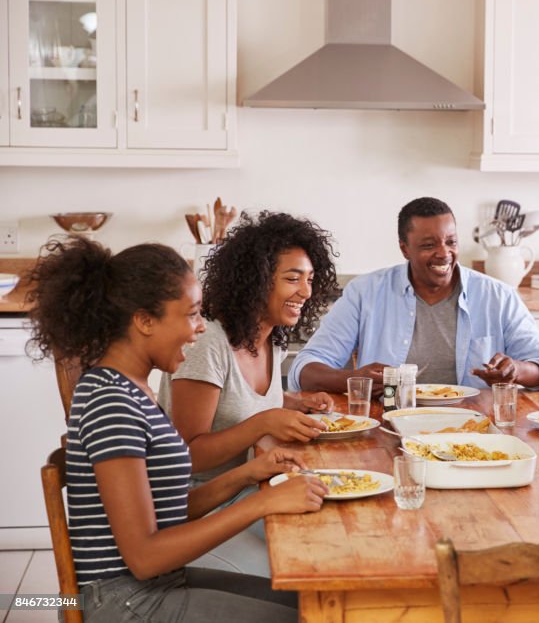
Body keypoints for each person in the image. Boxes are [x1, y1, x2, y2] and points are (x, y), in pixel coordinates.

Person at [27, 238, 327, 622]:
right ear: (144, 320)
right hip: (123, 602)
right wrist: (262, 502)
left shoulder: (133, 389)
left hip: (155, 587)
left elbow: (167, 511)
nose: (199, 329)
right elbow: (145, 556)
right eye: (190, 315)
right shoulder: (111, 402)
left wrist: (249, 474)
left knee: (313, 603)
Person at [289, 197, 539, 393]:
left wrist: (517, 370)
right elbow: (303, 370)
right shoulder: (365, 292)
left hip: (476, 429)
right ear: (404, 248)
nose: (444, 253)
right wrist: (352, 379)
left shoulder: (497, 296)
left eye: (451, 242)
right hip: (389, 425)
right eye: (428, 245)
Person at [159, 211, 340, 485]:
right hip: (200, 499)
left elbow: (237, 401)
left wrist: (297, 403)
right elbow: (188, 456)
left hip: (252, 483)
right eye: (293, 279)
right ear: (256, 281)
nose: (306, 292)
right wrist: (265, 423)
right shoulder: (207, 342)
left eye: (310, 279)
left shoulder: (270, 335)